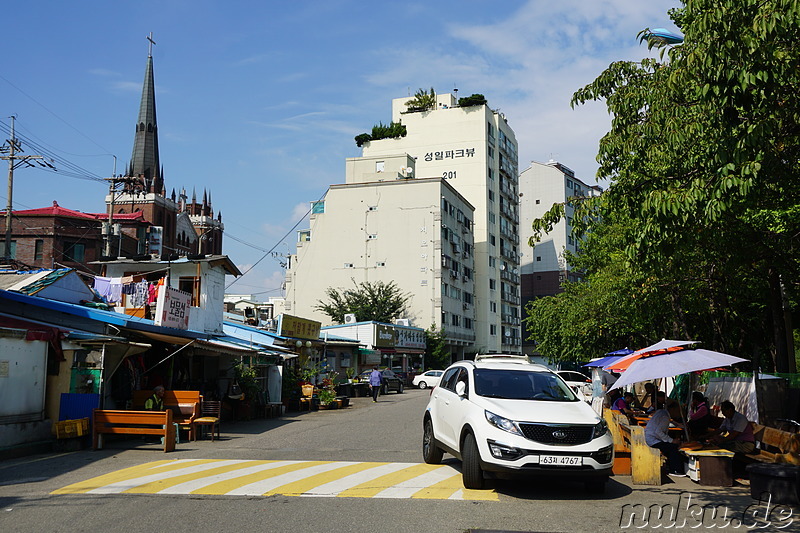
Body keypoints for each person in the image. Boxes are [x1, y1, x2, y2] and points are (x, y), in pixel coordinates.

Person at [645, 401, 686, 476]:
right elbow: (658, 432)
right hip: (652, 441)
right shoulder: (665, 417)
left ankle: (671, 466)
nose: (678, 414)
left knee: (669, 446)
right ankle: (675, 470)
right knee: (673, 447)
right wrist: (672, 440)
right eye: (678, 411)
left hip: (650, 438)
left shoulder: (661, 412)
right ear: (673, 410)